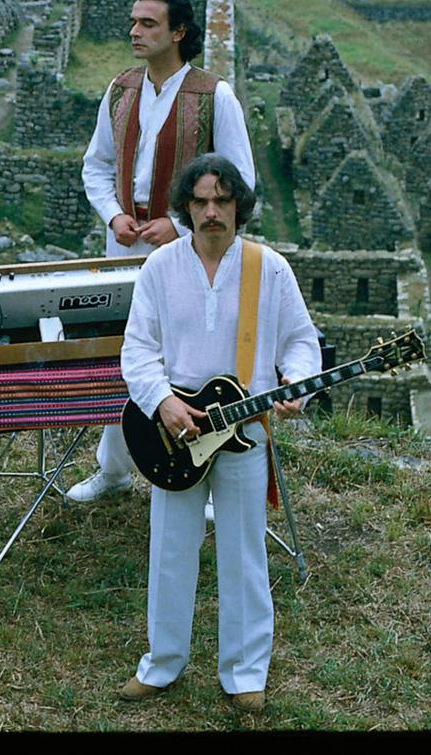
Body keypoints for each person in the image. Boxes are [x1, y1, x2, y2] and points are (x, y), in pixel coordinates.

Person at [117, 154, 319, 715]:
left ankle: (245, 674)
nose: (212, 212)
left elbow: (301, 341)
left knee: (244, 554)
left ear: (239, 207)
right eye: (201, 200)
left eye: (223, 201)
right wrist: (163, 402)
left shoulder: (268, 269)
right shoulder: (159, 268)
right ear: (186, 206)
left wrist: (295, 383)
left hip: (244, 436)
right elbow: (137, 350)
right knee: (171, 551)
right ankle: (162, 664)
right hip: (175, 433)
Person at [72, 0, 256, 504]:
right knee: (124, 351)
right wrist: (114, 215)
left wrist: (179, 225)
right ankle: (113, 469)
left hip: (191, 251)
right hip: (124, 246)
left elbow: (241, 180)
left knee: (192, 359)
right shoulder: (120, 89)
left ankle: (210, 477)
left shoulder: (213, 96)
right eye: (134, 22)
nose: (135, 31)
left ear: (179, 32)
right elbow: (97, 165)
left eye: (149, 23)